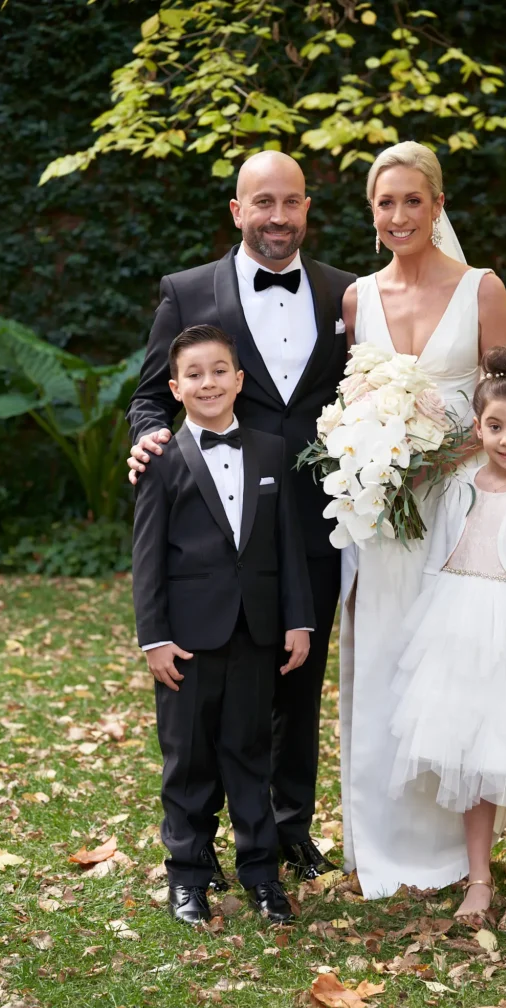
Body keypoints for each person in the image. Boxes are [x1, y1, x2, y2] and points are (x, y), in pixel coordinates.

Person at [127, 151, 355, 881]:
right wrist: (144, 439)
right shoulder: (188, 291)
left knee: (299, 678)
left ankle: (287, 829)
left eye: (290, 202)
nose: (277, 217)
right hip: (216, 535)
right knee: (211, 691)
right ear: (237, 210)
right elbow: (149, 397)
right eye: (262, 203)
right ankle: (200, 844)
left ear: (308, 208)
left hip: (318, 526)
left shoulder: (347, 295)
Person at [339, 141, 506, 899]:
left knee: (452, 666)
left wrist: (443, 456)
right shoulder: (357, 298)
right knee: (382, 660)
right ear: (372, 213)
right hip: (384, 516)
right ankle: (378, 842)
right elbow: (349, 403)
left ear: (438, 206)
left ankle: (456, 847)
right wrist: (365, 446)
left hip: (456, 506)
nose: (400, 214)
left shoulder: (482, 289)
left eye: (414, 200)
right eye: (387, 203)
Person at [132, 324, 316, 925]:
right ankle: (187, 877)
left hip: (257, 633)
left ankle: (262, 877)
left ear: (239, 380)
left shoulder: (268, 450)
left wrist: (299, 620)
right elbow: (148, 557)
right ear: (175, 387)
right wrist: (155, 638)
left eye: (218, 371)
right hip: (186, 640)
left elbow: (287, 543)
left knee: (250, 753)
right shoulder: (160, 461)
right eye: (194, 374)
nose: (207, 382)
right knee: (187, 761)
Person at [390, 346, 506, 933]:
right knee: (470, 759)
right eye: (495, 426)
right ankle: (478, 881)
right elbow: (438, 563)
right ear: (478, 427)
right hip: (455, 632)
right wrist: (428, 637)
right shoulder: (460, 486)